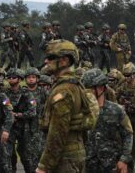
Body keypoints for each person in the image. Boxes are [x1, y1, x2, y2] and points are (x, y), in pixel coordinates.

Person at [36, 40, 99, 173]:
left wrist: (44, 166)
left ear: (64, 60)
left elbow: (58, 133)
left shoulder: (63, 90)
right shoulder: (75, 85)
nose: (46, 61)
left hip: (64, 158)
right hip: (74, 155)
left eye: (51, 57)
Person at [82, 68, 133, 173]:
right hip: (88, 164)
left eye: (89, 88)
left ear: (101, 88)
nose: (86, 92)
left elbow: (128, 135)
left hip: (111, 164)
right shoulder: (81, 111)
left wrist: (124, 159)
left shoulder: (116, 110)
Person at [4, 68, 37, 173]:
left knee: (26, 156)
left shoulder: (27, 93)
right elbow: (3, 106)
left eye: (14, 77)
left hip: (24, 128)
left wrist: (18, 115)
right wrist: (9, 114)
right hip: (9, 128)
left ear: (19, 79)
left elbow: (33, 111)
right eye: (9, 77)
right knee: (8, 155)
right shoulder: (4, 93)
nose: (11, 79)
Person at [24, 67, 48, 170]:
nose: (31, 79)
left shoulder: (43, 92)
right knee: (27, 156)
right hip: (25, 127)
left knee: (41, 154)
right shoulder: (23, 92)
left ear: (37, 79)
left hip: (40, 127)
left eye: (33, 77)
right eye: (29, 77)